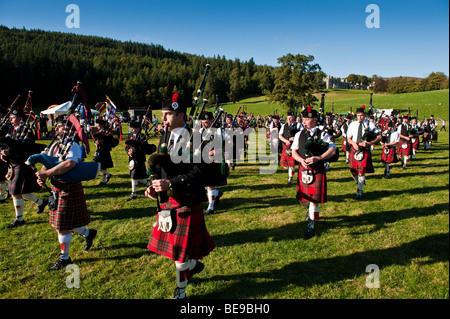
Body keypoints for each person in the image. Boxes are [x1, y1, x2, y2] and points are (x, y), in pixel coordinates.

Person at [145, 93, 216, 299]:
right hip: (168, 200)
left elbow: (202, 169)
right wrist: (153, 186)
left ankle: (181, 291)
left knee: (179, 254)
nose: (164, 119)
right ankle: (193, 266)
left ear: (181, 116)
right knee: (178, 253)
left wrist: (171, 183)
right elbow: (161, 167)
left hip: (187, 198)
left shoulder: (197, 138)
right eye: (163, 115)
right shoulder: (164, 136)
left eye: (167, 115)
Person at [35, 116, 97, 271]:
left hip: (69, 187)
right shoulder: (55, 145)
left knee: (62, 225)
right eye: (57, 126)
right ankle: (88, 233)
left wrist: (47, 173)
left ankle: (65, 258)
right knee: (64, 223)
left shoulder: (73, 145)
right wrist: (42, 175)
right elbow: (46, 162)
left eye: (61, 126)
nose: (57, 128)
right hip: (56, 187)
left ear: (69, 129)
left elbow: (69, 164)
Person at [291, 106, 336, 239]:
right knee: (302, 199)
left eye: (306, 119)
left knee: (314, 201)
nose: (303, 122)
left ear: (314, 119)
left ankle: (311, 225)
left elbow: (333, 150)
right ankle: (308, 210)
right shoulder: (299, 134)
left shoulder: (323, 134)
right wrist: (300, 160)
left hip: (317, 170)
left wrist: (320, 158)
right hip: (304, 170)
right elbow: (294, 151)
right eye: (303, 119)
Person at [0, 108, 47, 228]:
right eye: (10, 117)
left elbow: (25, 148)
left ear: (20, 118)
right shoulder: (10, 130)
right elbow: (6, 144)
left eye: (13, 117)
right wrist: (2, 152)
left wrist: (9, 152)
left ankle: (19, 218)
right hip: (13, 163)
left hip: (21, 163)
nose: (10, 119)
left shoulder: (26, 130)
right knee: (23, 191)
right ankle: (41, 203)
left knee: (15, 192)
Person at [347, 106, 381, 200]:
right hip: (354, 148)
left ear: (365, 115)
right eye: (358, 115)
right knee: (353, 170)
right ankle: (360, 182)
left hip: (364, 149)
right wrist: (353, 144)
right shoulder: (352, 124)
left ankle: (359, 192)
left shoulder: (370, 125)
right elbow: (348, 138)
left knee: (361, 172)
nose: (360, 117)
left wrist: (368, 143)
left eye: (361, 115)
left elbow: (379, 137)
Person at [198, 111, 224, 215]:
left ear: (212, 121)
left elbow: (230, 144)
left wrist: (216, 151)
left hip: (214, 160)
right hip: (201, 160)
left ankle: (211, 207)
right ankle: (216, 193)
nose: (204, 124)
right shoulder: (199, 131)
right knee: (203, 183)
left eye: (207, 122)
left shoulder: (218, 131)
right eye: (203, 122)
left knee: (210, 184)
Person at [124, 121, 155, 201]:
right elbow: (126, 146)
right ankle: (148, 183)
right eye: (131, 128)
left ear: (138, 128)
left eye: (133, 128)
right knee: (137, 176)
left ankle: (133, 194)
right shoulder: (130, 135)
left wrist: (135, 150)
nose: (132, 130)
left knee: (133, 177)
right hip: (132, 159)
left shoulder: (142, 136)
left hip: (139, 159)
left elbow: (144, 148)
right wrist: (128, 152)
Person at [93, 119, 116, 185]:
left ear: (102, 126)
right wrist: (96, 143)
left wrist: (102, 142)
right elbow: (96, 140)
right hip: (99, 150)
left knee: (103, 166)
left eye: (98, 126)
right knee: (98, 165)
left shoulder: (107, 132)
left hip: (104, 150)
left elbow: (110, 141)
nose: (97, 127)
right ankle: (107, 175)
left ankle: (104, 180)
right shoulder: (99, 132)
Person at [279, 112, 299, 185]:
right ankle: (290, 172)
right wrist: (285, 141)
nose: (289, 119)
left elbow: (303, 134)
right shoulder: (284, 126)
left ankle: (290, 178)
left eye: (291, 118)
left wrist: (295, 138)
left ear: (294, 118)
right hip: (286, 146)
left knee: (292, 164)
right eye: (288, 118)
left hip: (294, 147)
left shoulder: (298, 125)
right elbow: (280, 135)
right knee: (286, 164)